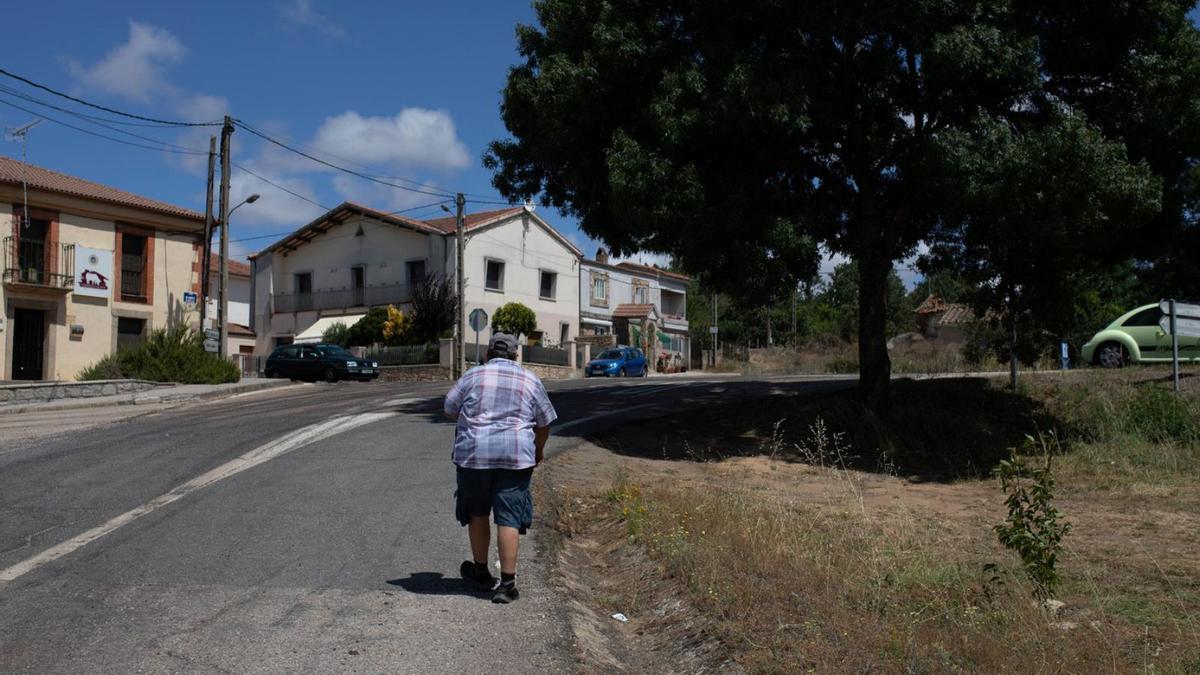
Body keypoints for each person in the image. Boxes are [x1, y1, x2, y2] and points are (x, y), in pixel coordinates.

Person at [443, 332, 557, 603]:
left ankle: (481, 573)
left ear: (487, 354)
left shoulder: (472, 376)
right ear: (516, 355)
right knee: (509, 515)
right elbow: (545, 421)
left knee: (478, 513)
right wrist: (538, 450)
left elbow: (449, 408)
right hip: (516, 455)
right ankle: (507, 584)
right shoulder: (530, 379)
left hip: (474, 455)